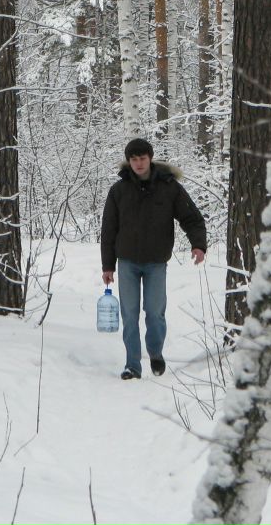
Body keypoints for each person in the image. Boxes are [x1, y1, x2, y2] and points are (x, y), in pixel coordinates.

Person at [100, 138, 207, 380]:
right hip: (126, 261)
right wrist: (108, 265)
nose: (138, 163)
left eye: (142, 158)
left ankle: (156, 352)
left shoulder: (169, 187)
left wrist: (198, 245)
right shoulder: (118, 190)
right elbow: (108, 230)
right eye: (134, 159)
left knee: (155, 312)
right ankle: (132, 365)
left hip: (156, 261)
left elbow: (191, 218)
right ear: (129, 162)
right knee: (129, 314)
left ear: (150, 158)